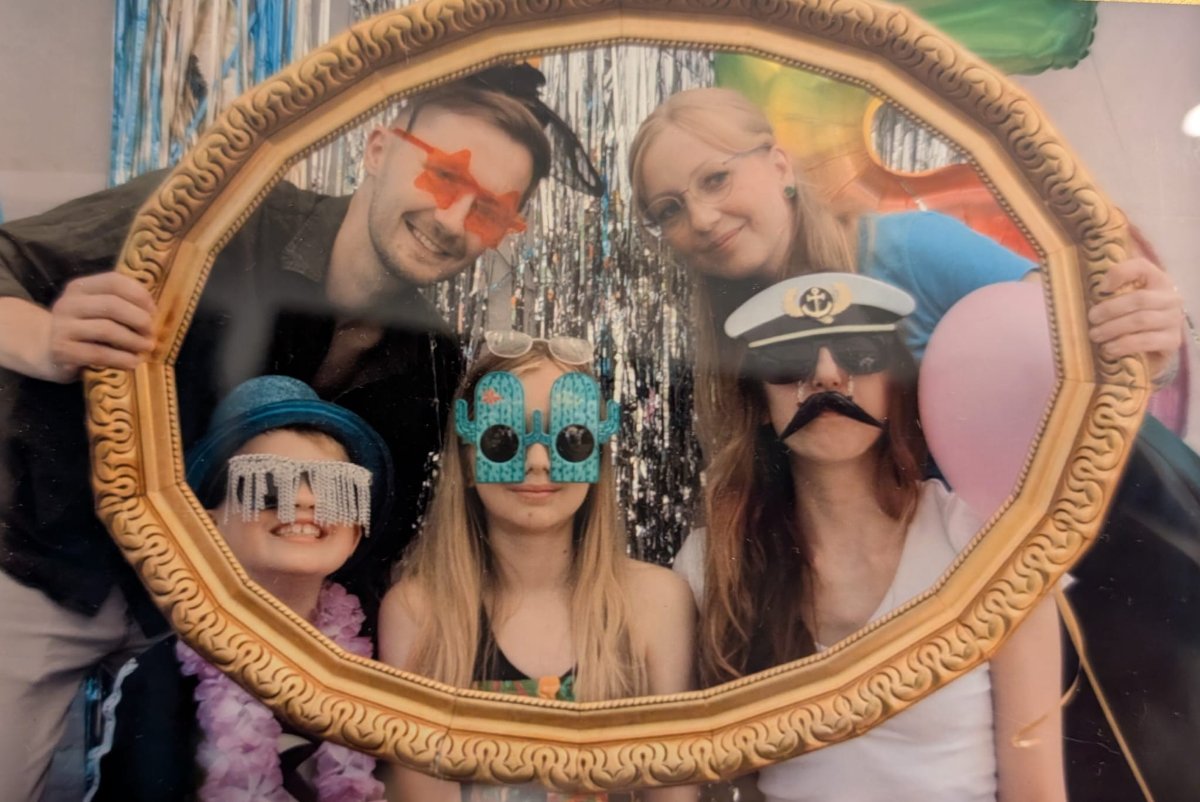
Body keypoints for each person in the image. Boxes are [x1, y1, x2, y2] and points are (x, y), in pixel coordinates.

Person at [631, 87, 1200, 799]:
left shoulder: (905, 251)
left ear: (779, 164)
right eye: (669, 209)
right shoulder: (728, 331)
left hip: (1116, 529)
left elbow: (1074, 334)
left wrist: (1147, 335)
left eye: (715, 178)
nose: (702, 218)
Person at [0, 78, 552, 800]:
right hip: (53, 560)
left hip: (238, 629)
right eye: (445, 175)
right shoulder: (217, 213)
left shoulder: (431, 355)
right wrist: (44, 339)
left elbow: (371, 539)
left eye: (489, 210)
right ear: (377, 150)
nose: (453, 219)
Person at [673, 273, 1065, 801]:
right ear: (759, 401)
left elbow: (1037, 789)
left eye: (859, 356)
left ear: (894, 386)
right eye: (789, 361)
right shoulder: (711, 565)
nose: (826, 376)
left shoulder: (983, 543)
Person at [377, 332, 696, 802]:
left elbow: (672, 792)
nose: (538, 461)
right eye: (503, 439)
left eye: (571, 438)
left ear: (597, 458)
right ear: (467, 461)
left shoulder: (656, 603)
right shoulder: (418, 611)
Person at [93, 374, 393, 801]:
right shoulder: (161, 680)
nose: (304, 502)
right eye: (268, 485)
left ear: (357, 529)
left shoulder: (391, 661)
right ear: (209, 522)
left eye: (334, 489)